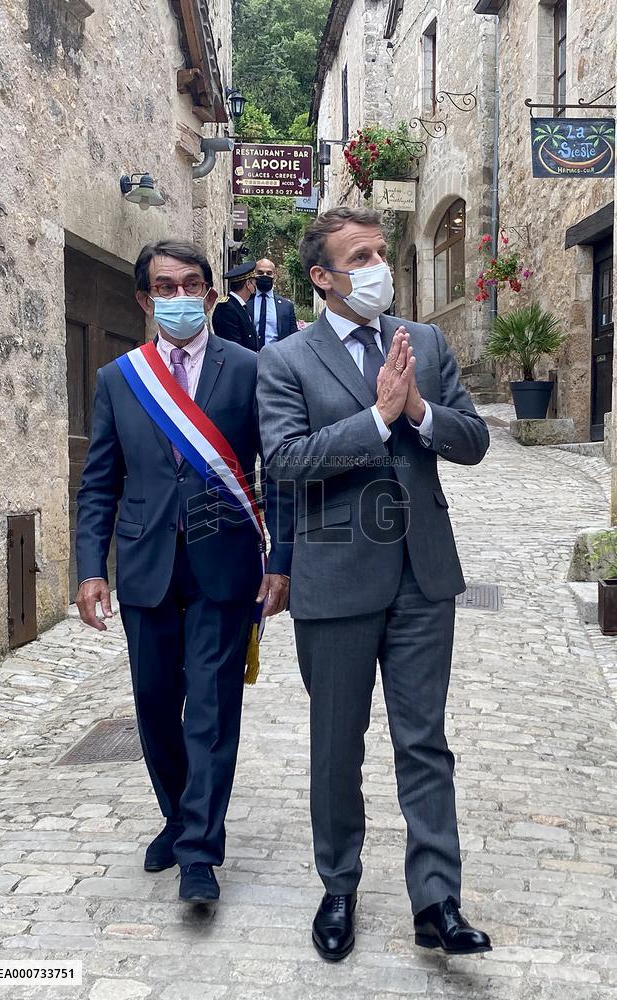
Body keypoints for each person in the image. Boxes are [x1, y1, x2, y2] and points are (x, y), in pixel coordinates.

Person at [256, 207, 491, 961]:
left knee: (424, 741)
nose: (377, 267)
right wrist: (379, 418)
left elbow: (474, 441)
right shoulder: (285, 361)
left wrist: (418, 409)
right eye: (359, 257)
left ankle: (437, 901)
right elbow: (285, 461)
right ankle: (339, 886)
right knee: (336, 745)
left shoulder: (425, 343)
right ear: (321, 277)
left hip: (423, 575)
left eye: (381, 253)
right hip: (334, 579)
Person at [75, 240, 292, 905]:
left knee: (213, 707)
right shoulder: (120, 379)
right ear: (145, 299)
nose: (179, 297)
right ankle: (176, 816)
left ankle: (200, 849)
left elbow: (278, 470)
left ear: (210, 294)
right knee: (153, 705)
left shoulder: (249, 368)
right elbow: (99, 484)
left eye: (191, 285)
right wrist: (90, 568)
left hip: (224, 564)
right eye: (165, 288)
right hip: (146, 565)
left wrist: (280, 560)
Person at [246, 258, 299, 349]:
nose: (265, 275)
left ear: (275, 276)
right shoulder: (245, 303)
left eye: (269, 273)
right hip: (250, 354)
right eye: (260, 273)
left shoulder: (286, 306)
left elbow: (293, 336)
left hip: (277, 355)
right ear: (254, 274)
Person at [212, 261, 259, 351]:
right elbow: (232, 345)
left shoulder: (240, 306)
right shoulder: (226, 308)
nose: (255, 287)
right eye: (254, 283)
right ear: (248, 284)